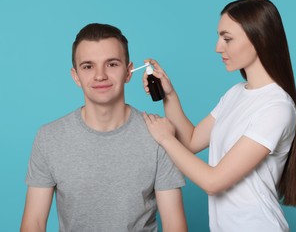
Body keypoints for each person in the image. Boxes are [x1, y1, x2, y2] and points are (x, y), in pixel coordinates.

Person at [142, 0, 296, 232]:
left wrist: (165, 138)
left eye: (227, 38)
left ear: (258, 38)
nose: (218, 47)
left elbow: (213, 182)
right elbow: (190, 140)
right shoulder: (236, 93)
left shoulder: (277, 108)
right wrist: (169, 95)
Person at [20, 23, 187, 232]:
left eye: (112, 64)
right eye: (88, 66)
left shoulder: (160, 134)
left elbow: (175, 226)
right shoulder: (49, 137)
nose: (100, 76)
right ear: (75, 76)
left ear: (128, 72)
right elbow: (33, 223)